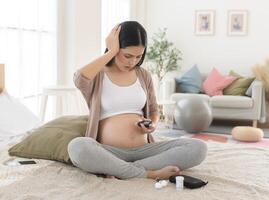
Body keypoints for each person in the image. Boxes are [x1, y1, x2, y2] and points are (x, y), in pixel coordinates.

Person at [68, 21, 207, 180]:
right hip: (110, 151)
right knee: (77, 147)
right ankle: (147, 172)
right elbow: (79, 79)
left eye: (138, 56)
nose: (132, 62)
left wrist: (152, 123)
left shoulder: (143, 75)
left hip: (145, 151)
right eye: (127, 55)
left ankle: (121, 170)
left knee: (197, 148)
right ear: (116, 48)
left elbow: (154, 109)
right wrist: (110, 52)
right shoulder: (98, 75)